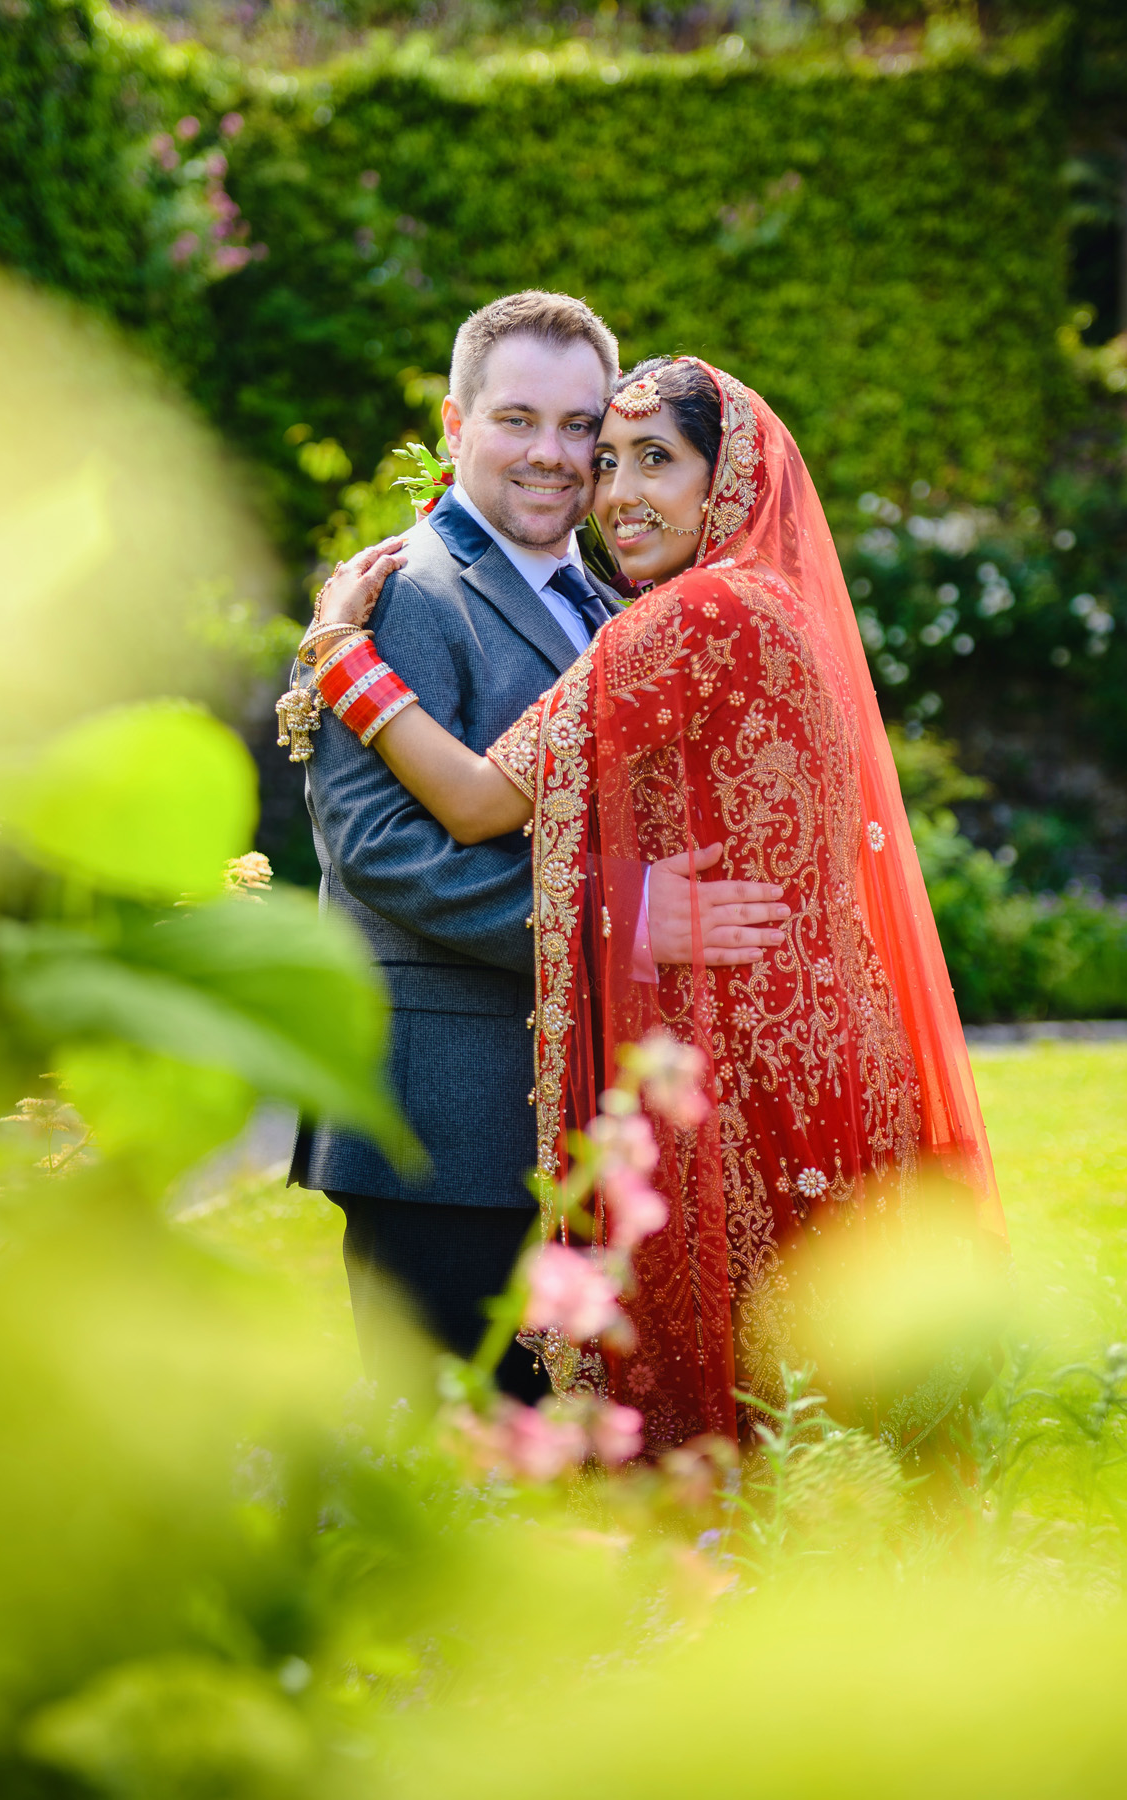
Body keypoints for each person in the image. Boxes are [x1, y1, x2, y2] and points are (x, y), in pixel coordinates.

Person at [303, 353, 1008, 1454]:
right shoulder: (776, 605)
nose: (616, 488)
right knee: (831, 1405)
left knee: (734, 1426)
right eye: (611, 458)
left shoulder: (682, 619)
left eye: (653, 460)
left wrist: (340, 656)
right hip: (829, 1056)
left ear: (722, 481)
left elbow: (484, 801)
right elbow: (389, 851)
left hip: (739, 1074)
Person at [289, 298, 788, 1402]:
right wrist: (623, 920)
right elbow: (383, 854)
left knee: (573, 1493)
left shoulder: (614, 598)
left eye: (582, 429)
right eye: (520, 420)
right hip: (445, 1125)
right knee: (457, 1477)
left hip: (586, 1115)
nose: (556, 458)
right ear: (456, 421)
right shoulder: (397, 597)